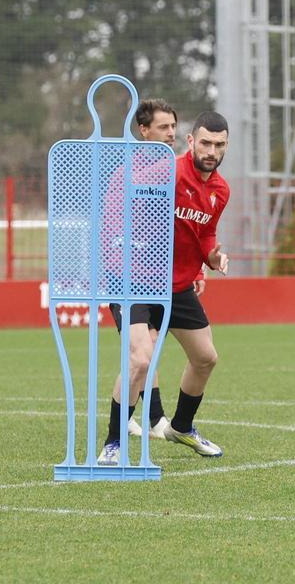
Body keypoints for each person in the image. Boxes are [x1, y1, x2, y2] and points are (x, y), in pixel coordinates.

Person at [98, 110, 230, 463]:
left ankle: (181, 427)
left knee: (206, 358)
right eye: (204, 142)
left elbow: (206, 235)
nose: (211, 151)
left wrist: (213, 258)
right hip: (135, 281)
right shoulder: (167, 170)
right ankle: (114, 444)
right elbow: (123, 191)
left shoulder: (220, 190)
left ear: (225, 146)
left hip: (177, 286)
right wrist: (117, 249)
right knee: (139, 360)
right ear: (191, 142)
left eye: (218, 145)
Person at [102, 98, 182, 447]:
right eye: (164, 127)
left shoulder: (168, 170)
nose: (171, 134)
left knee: (148, 348)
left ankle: (152, 418)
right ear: (143, 130)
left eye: (174, 128)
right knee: (140, 354)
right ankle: (119, 433)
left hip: (157, 277)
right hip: (125, 279)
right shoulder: (129, 172)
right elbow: (112, 227)